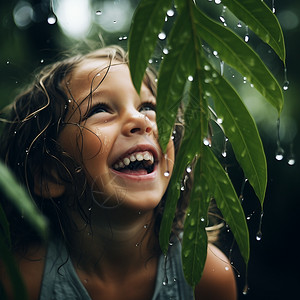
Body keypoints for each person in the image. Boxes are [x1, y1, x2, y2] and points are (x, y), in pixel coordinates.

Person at [0, 46, 237, 300]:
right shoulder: (21, 282)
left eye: (148, 107)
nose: (140, 120)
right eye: (100, 109)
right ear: (50, 175)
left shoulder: (205, 276)